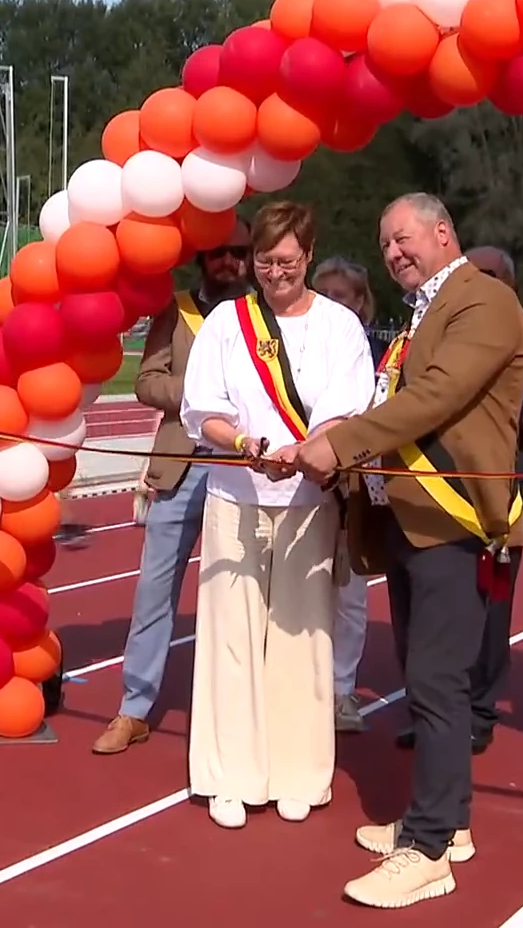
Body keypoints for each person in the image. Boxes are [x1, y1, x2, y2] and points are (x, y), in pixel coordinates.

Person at [293, 193, 523, 909]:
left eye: (402, 238)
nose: (393, 251)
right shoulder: (431, 307)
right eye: (384, 243)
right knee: (429, 680)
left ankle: (427, 849)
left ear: (442, 231)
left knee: (435, 679)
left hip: (453, 519)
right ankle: (445, 821)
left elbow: (436, 395)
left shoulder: (481, 302)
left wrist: (339, 441)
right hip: (411, 516)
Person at [179, 201, 374, 827]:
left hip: (307, 501)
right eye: (264, 261)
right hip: (235, 496)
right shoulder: (227, 323)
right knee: (230, 639)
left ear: (308, 255)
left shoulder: (341, 326)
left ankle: (299, 771)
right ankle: (231, 774)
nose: (274, 272)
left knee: (301, 635)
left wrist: (302, 450)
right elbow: (200, 409)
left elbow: (349, 406)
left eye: (286, 260)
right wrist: (242, 443)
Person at [92, 220, 251, 755]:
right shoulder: (176, 309)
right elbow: (146, 382)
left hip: (246, 468)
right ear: (202, 259)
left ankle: (241, 707)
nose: (229, 261)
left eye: (239, 252)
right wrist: (202, 391)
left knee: (244, 591)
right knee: (155, 590)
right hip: (181, 465)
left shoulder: (264, 313)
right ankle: (134, 707)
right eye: (219, 253)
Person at [392, 246, 523, 753]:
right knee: (420, 616)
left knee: (489, 616)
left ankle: (479, 713)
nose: (476, 282)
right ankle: (430, 714)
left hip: (501, 499)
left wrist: (466, 391)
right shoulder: (431, 335)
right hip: (431, 493)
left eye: (489, 275)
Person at [311, 256, 383, 733]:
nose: (333, 304)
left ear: (361, 302)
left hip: (356, 485)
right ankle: (301, 685)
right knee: (304, 590)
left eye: (343, 295)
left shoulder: (381, 354)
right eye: (326, 295)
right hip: (304, 482)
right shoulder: (297, 349)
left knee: (351, 595)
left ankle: (341, 689)